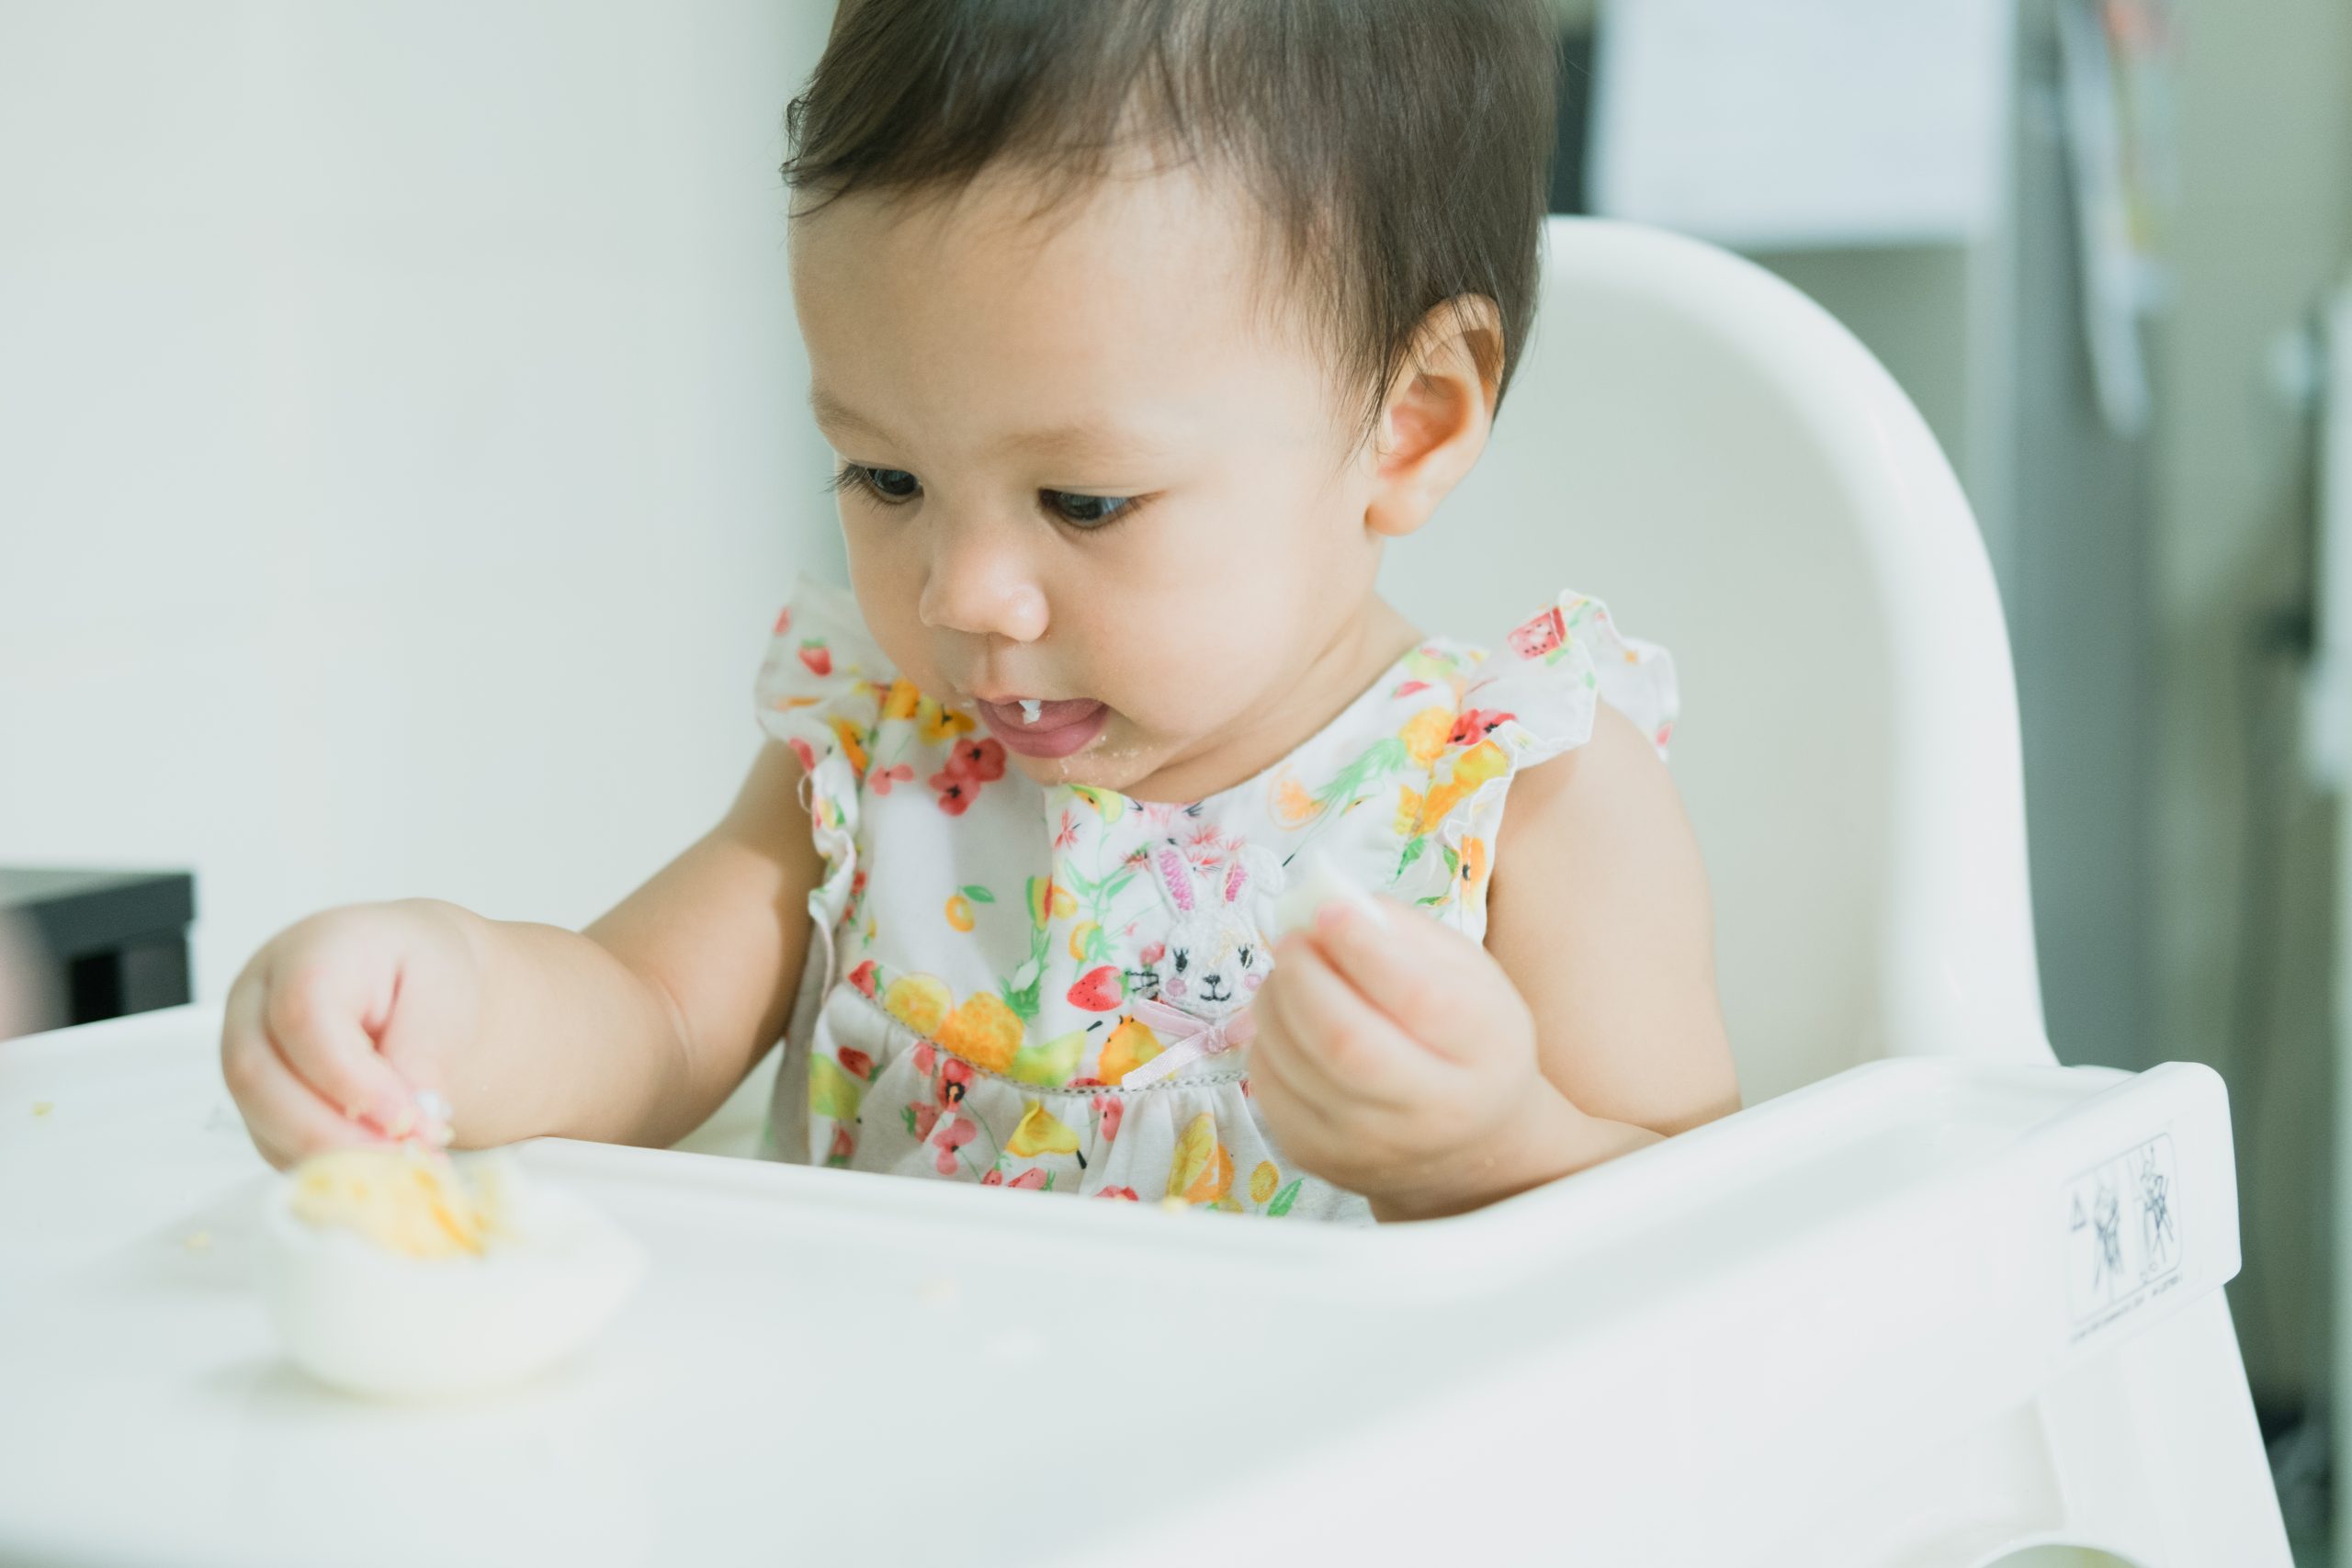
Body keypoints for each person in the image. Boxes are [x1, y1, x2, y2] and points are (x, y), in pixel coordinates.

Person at [221, 0, 1738, 1222]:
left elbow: (1717, 1233)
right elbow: (646, 1019)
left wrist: (1489, 1146)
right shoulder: (881, 758)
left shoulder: (1522, 792)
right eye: (884, 475)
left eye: (1083, 502)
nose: (960, 595)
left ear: (1407, 424)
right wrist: (446, 1000)